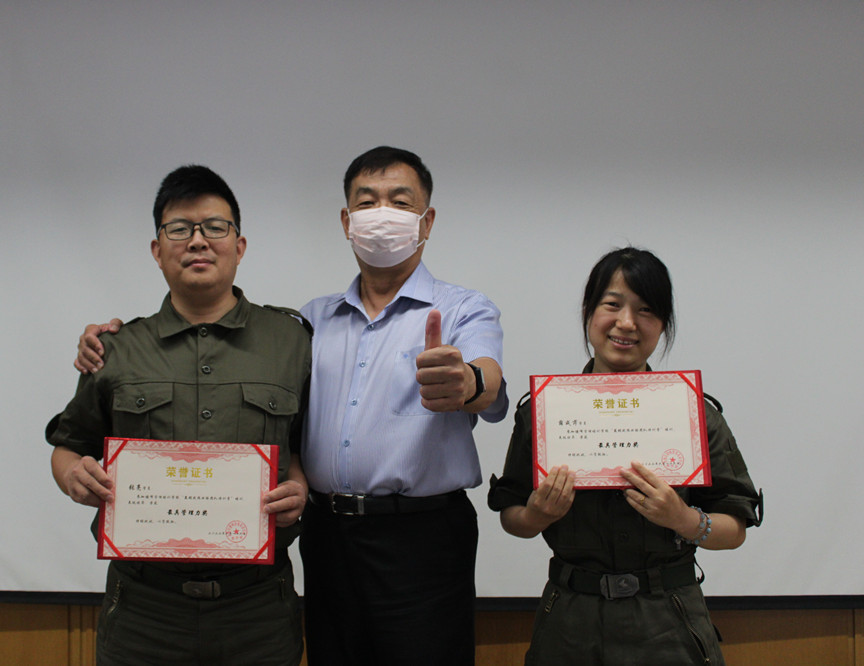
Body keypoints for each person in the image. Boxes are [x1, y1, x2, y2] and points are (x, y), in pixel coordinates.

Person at [75, 147, 509, 666]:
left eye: (399, 202)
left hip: (423, 536)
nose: (382, 214)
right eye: (367, 202)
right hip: (328, 535)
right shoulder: (309, 323)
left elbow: (488, 380)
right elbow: (293, 436)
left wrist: (466, 382)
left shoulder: (463, 308)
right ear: (347, 222)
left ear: (426, 221)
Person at [47, 165, 311, 666]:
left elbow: (304, 448)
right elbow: (69, 447)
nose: (198, 240)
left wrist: (299, 488)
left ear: (239, 246)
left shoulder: (292, 343)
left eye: (215, 227)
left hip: (257, 608)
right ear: (157, 249)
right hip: (144, 611)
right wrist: (72, 476)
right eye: (179, 229)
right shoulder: (115, 348)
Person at [487, 246, 763, 666]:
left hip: (668, 623)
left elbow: (735, 528)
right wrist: (537, 515)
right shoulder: (545, 413)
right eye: (612, 304)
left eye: (646, 310)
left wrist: (683, 519)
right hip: (570, 624)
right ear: (588, 312)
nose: (627, 323)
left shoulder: (693, 413)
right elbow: (512, 516)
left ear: (663, 324)